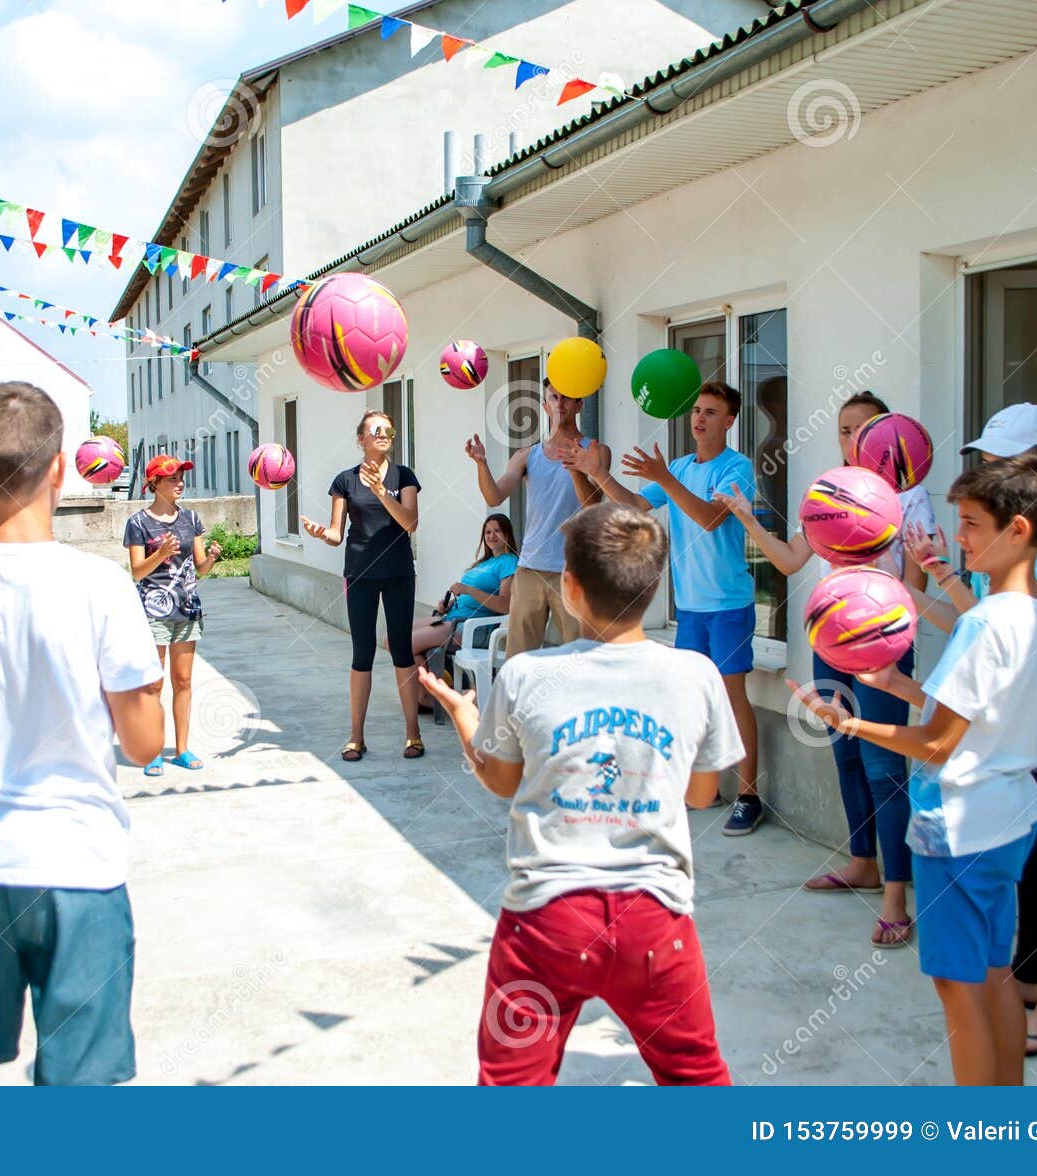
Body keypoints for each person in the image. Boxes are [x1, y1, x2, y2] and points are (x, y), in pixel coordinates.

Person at [0, 381, 164, 1086]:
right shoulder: (102, 586)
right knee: (80, 1084)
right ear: (60, 470)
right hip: (78, 862)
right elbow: (143, 746)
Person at [420, 501, 742, 1085]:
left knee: (512, 1083)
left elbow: (503, 781)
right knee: (695, 1076)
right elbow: (701, 795)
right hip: (655, 920)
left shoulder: (526, 675)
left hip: (545, 920)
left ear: (568, 587)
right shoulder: (696, 675)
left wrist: (467, 721)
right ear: (653, 584)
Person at [791, 456, 1037, 1085]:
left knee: (957, 987)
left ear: (1017, 530)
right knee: (995, 973)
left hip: (958, 823)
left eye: (970, 524)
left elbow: (939, 744)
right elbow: (976, 716)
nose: (958, 538)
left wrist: (850, 723)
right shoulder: (1033, 612)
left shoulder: (986, 626)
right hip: (1007, 816)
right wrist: (896, 683)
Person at [909, 404, 1037, 1059]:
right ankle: (1028, 977)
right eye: (985, 460)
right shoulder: (1030, 543)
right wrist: (936, 577)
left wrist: (945, 580)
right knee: (1029, 850)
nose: (987, 471)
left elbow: (999, 622)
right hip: (1032, 701)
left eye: (1000, 462)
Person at [714, 392, 930, 945]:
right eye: (843, 430)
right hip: (831, 641)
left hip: (881, 650)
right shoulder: (834, 495)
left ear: (888, 436)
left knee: (885, 768)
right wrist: (743, 516)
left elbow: (917, 590)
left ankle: (896, 898)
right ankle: (862, 862)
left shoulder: (910, 497)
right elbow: (788, 561)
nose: (851, 440)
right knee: (847, 754)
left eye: (862, 430)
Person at [573, 381, 763, 835]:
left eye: (712, 412)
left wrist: (664, 478)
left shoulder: (737, 467)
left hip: (729, 604)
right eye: (697, 410)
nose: (699, 418)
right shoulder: (678, 467)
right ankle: (704, 787)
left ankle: (749, 795)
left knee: (733, 697)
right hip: (691, 607)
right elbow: (638, 505)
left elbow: (710, 518)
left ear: (730, 421)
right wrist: (599, 474)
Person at [301, 410, 424, 762]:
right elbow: (336, 534)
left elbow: (410, 523)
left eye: (388, 429)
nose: (383, 434)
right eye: (375, 430)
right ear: (361, 439)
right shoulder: (345, 480)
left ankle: (412, 734)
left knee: (401, 649)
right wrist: (319, 533)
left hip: (398, 572)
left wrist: (383, 492)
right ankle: (356, 736)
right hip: (360, 574)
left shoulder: (404, 476)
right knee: (362, 652)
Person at [464, 377, 599, 658]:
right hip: (530, 569)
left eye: (566, 397)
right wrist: (481, 464)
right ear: (545, 405)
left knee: (580, 658)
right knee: (518, 659)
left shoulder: (595, 451)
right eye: (553, 397)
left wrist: (574, 468)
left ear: (579, 405)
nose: (559, 403)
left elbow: (593, 502)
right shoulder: (527, 455)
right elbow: (494, 497)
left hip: (573, 570)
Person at [125, 453, 218, 775]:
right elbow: (137, 572)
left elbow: (201, 568)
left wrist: (213, 559)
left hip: (187, 609)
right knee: (153, 683)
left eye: (181, 477)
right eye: (172, 479)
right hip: (153, 611)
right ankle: (152, 750)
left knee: (183, 680)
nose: (179, 483)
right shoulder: (138, 523)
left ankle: (182, 749)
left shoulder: (191, 519)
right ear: (153, 483)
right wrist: (161, 554)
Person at [411, 513, 518, 669]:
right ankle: (433, 687)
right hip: (450, 618)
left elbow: (504, 605)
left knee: (404, 646)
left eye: (497, 531)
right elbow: (469, 598)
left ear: (507, 534)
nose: (491, 536)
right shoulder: (483, 563)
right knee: (392, 640)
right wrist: (449, 603)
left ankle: (437, 687)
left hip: (469, 627)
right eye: (487, 532)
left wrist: (468, 589)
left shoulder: (509, 562)